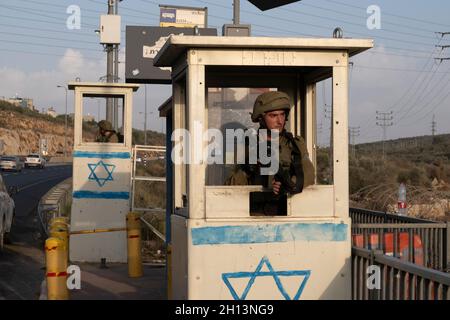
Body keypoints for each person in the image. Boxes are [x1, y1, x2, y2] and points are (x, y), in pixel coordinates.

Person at [225, 91, 315, 213]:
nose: (280, 121)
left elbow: (309, 173)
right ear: (261, 119)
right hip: (252, 215)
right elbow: (228, 187)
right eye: (273, 116)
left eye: (282, 115)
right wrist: (249, 168)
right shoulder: (246, 146)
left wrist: (288, 184)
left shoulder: (295, 144)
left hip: (288, 214)